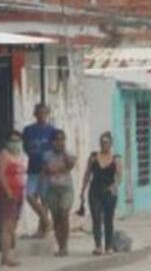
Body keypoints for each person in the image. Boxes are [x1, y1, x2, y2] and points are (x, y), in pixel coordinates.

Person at [80, 132, 122, 255]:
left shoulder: (116, 158)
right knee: (96, 218)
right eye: (102, 142)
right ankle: (98, 246)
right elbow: (87, 174)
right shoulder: (93, 157)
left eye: (107, 142)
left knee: (109, 219)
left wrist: (114, 187)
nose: (104, 145)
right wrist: (83, 190)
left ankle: (108, 246)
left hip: (109, 191)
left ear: (111, 144)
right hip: (95, 191)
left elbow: (119, 176)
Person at [22, 103, 56, 237]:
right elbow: (25, 147)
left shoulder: (52, 131)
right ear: (35, 114)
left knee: (44, 199)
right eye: (39, 113)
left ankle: (41, 230)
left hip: (47, 170)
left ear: (47, 114)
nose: (42, 116)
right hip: (33, 169)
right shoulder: (28, 130)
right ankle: (47, 221)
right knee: (30, 195)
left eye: (44, 113)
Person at [42, 129, 76, 257]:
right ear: (52, 142)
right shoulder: (47, 155)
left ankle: (65, 245)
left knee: (64, 214)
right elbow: (45, 170)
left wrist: (63, 153)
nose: (59, 142)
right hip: (52, 189)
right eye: (56, 140)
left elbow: (70, 166)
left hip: (66, 188)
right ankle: (60, 244)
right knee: (56, 217)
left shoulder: (69, 153)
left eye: (62, 139)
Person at [0, 131, 26, 268]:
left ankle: (8, 255)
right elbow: (1, 174)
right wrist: (8, 190)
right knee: (7, 226)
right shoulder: (4, 155)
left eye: (17, 140)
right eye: (12, 140)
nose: (15, 143)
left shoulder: (21, 156)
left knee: (13, 226)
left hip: (19, 192)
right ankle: (6, 256)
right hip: (8, 194)